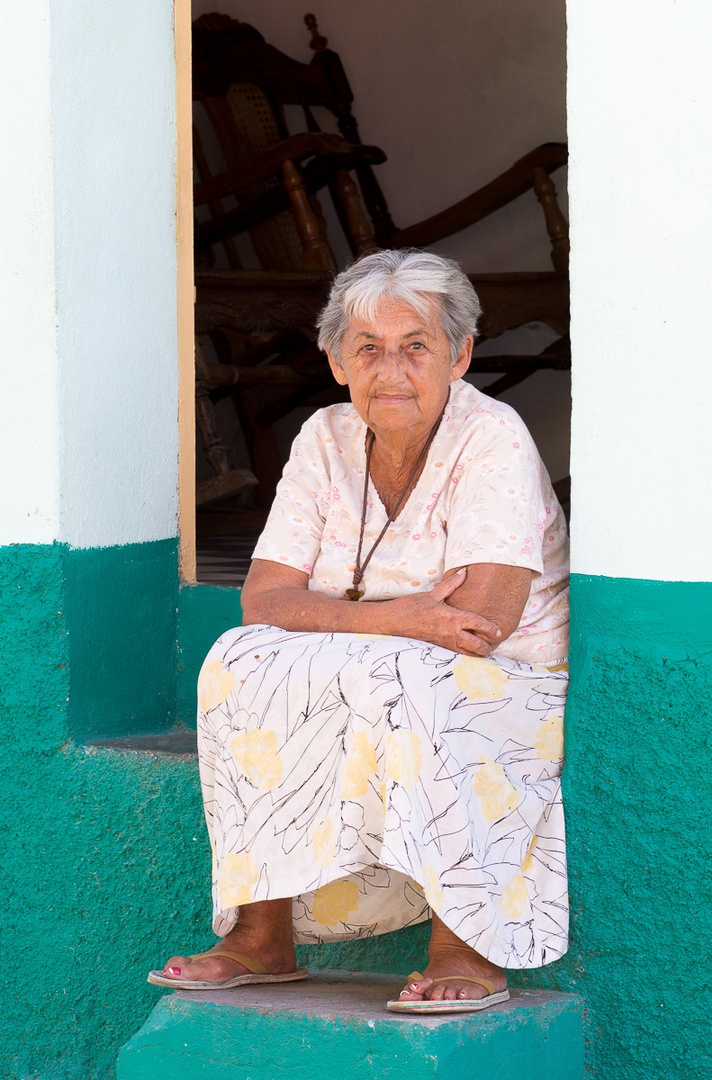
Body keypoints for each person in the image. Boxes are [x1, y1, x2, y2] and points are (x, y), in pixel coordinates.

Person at [148, 249, 569, 1013]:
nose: (393, 372)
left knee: (404, 675)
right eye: (368, 350)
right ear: (338, 361)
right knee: (239, 660)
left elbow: (482, 623)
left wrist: (349, 624)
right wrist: (403, 616)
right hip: (377, 662)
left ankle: (466, 946)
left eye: (416, 347)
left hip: (502, 682)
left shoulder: (492, 436)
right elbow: (263, 600)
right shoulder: (325, 437)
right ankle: (260, 937)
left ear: (459, 355)